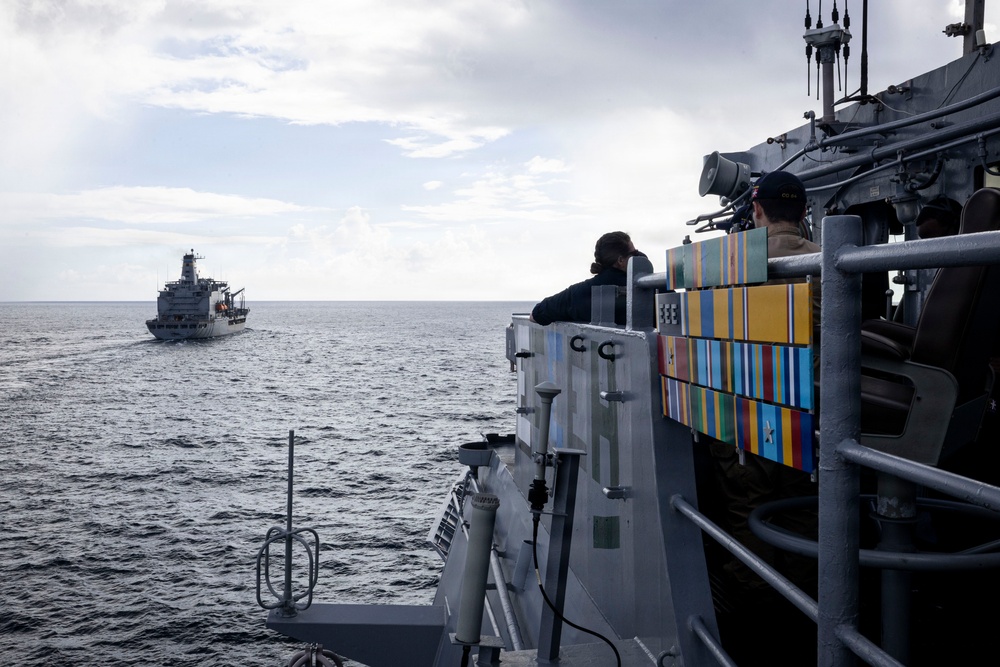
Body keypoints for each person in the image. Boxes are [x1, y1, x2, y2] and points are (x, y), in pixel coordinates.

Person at [705, 170, 821, 666]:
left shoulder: (735, 262)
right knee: (803, 508)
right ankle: (807, 607)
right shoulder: (829, 258)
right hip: (815, 410)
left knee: (746, 505)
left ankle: (757, 618)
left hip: (750, 410)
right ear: (803, 210)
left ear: (756, 209)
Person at [530, 231, 645, 325]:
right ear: (620, 260)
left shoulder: (578, 293)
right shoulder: (645, 287)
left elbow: (536, 314)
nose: (637, 256)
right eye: (634, 253)